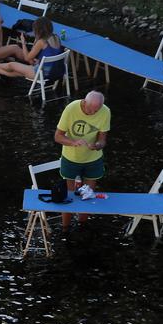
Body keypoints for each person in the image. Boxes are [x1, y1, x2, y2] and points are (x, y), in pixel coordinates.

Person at [55, 90, 110, 225]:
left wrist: (97, 145)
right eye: (90, 110)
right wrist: (73, 143)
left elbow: (103, 140)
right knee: (69, 196)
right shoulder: (71, 108)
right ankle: (65, 228)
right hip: (71, 158)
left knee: (88, 196)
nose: (92, 113)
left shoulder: (105, 111)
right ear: (84, 102)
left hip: (93, 159)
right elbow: (58, 137)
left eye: (96, 111)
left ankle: (82, 226)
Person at [0, 18, 68, 82]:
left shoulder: (41, 42)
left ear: (38, 30)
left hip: (44, 74)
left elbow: (27, 58)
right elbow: (51, 53)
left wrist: (23, 43)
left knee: (12, 65)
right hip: (59, 72)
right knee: (20, 72)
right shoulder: (56, 37)